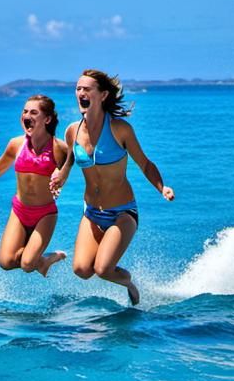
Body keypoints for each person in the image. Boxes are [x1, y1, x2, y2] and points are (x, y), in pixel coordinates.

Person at [51, 70, 174, 305]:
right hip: (92, 213)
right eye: (78, 88)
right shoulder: (72, 131)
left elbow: (145, 164)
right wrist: (60, 177)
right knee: (81, 269)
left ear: (103, 94)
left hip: (122, 212)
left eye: (87, 89)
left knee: (103, 269)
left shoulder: (120, 129)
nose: (81, 93)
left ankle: (129, 284)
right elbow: (68, 162)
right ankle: (116, 274)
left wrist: (162, 188)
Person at [0, 95, 69, 277]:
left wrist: (60, 178)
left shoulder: (59, 148)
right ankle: (42, 260)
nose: (27, 115)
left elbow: (67, 172)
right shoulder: (16, 144)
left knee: (26, 265)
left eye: (34, 112)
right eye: (25, 111)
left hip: (45, 214)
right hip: (19, 210)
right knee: (6, 262)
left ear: (47, 119)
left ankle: (39, 259)